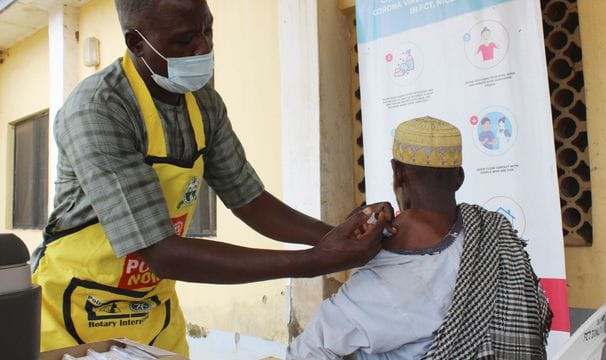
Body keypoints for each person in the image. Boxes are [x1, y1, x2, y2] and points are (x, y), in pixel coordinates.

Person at [31, 0, 392, 356]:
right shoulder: (99, 109)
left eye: (207, 28)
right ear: (136, 42)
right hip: (76, 314)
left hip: (153, 314)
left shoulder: (203, 103)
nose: (203, 46)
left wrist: (337, 235)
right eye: (185, 38)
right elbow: (163, 252)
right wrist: (318, 261)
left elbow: (251, 203)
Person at [287, 117, 552, 360]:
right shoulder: (492, 231)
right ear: (459, 178)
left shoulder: (388, 276)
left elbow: (309, 351)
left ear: (398, 172)